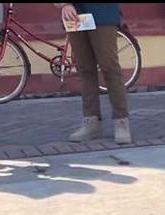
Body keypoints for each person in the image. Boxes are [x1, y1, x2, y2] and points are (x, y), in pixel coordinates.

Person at [54, 2, 131, 144]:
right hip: (74, 14)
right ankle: (91, 121)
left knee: (109, 68)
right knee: (85, 70)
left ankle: (121, 121)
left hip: (102, 13)